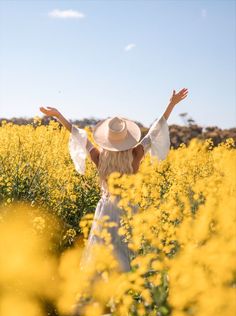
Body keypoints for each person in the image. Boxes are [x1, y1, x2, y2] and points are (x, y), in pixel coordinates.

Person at [39, 88, 188, 275]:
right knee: (127, 253)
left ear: (107, 140)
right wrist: (171, 104)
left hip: (106, 209)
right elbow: (153, 132)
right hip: (128, 208)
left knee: (102, 253)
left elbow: (80, 136)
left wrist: (58, 115)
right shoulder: (135, 154)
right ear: (127, 139)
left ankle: (102, 293)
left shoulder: (100, 157)